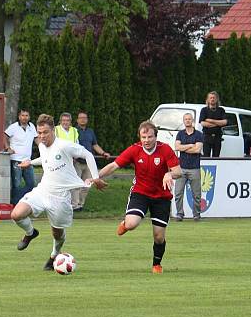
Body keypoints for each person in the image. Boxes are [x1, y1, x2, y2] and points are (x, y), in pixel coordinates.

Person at [11, 114, 105, 271]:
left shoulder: (64, 145)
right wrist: (30, 162)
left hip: (60, 197)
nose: (42, 136)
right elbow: (47, 159)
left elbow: (88, 154)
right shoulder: (42, 145)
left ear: (53, 130)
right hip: (43, 190)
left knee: (57, 233)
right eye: (39, 133)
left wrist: (95, 178)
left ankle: (54, 255)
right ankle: (30, 232)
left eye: (45, 132)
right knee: (16, 214)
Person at [97, 121, 181, 274]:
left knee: (159, 237)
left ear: (156, 137)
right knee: (131, 224)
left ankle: (157, 264)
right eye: (144, 137)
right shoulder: (134, 150)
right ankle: (125, 223)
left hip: (162, 197)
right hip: (140, 193)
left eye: (150, 137)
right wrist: (95, 177)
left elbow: (178, 171)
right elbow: (114, 166)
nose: (147, 140)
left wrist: (169, 174)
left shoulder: (165, 150)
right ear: (139, 137)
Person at [73, 111, 111, 211]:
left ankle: (81, 205)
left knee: (87, 185)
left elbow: (95, 145)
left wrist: (103, 153)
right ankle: (74, 206)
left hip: (88, 163)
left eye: (84, 118)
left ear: (87, 119)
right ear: (77, 120)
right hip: (77, 162)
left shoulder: (90, 131)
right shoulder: (74, 131)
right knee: (76, 184)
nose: (83, 119)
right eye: (80, 118)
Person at [174, 113, 204, 221]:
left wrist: (184, 148)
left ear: (193, 121)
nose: (187, 121)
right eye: (185, 119)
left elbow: (197, 150)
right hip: (181, 168)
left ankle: (196, 214)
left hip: (194, 168)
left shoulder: (199, 134)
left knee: (196, 194)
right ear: (183, 121)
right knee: (178, 193)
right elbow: (177, 147)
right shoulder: (180, 134)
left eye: (189, 119)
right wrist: (190, 145)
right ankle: (179, 214)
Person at [4, 110, 37, 205]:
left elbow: (36, 139)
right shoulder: (13, 127)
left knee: (31, 184)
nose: (25, 117)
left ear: (29, 117)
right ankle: (15, 204)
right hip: (16, 160)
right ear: (19, 116)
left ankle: (22, 201)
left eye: (27, 115)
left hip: (27, 161)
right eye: (23, 115)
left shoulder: (32, 126)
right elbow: (4, 136)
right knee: (17, 185)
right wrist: (7, 147)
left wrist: (43, 149)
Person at [199, 91, 227, 157]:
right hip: (207, 137)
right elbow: (203, 123)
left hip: (217, 137)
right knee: (206, 156)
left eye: (214, 98)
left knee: (216, 157)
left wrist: (210, 120)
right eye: (210, 98)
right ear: (208, 99)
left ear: (217, 99)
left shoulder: (221, 110)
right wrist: (218, 123)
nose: (212, 99)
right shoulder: (204, 110)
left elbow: (225, 122)